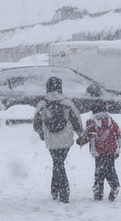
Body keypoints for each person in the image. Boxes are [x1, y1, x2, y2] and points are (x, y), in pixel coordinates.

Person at [31, 75, 84, 203]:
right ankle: (63, 192)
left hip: (51, 138)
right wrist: (81, 134)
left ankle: (55, 190)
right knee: (59, 162)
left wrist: (41, 134)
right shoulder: (67, 103)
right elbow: (76, 119)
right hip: (65, 138)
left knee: (57, 162)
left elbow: (36, 124)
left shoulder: (43, 104)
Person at [78, 101, 121, 201]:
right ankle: (114, 185)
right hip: (111, 149)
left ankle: (98, 192)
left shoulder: (92, 122)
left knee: (99, 172)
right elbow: (118, 133)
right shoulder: (111, 120)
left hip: (99, 150)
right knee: (110, 169)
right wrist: (118, 146)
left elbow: (86, 135)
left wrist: (80, 141)